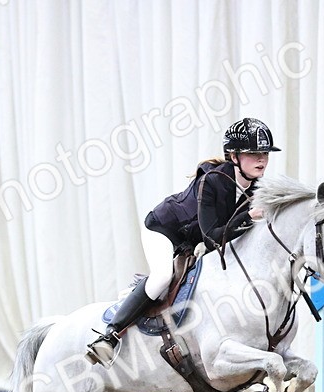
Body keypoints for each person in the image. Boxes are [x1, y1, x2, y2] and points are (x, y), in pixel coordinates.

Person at [85, 118, 281, 366]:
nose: (261, 159)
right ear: (233, 156)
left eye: (264, 153)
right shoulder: (213, 181)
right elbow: (212, 239)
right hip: (164, 229)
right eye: (253, 153)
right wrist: (248, 216)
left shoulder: (256, 188)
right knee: (162, 277)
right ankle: (109, 336)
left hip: (191, 240)